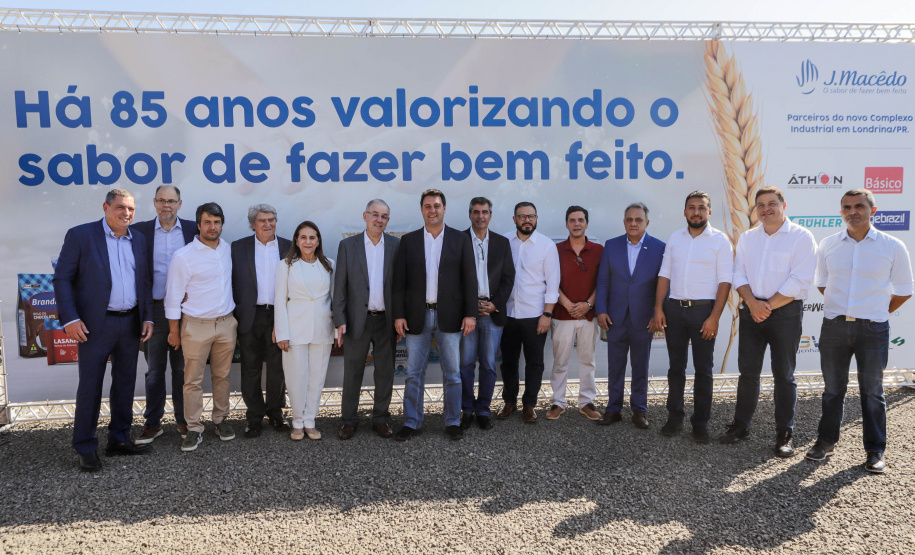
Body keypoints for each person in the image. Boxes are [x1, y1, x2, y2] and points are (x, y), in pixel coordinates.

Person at [806, 188, 913, 473]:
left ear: (872, 210)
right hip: (834, 327)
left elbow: (904, 290)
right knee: (832, 390)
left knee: (873, 392)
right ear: (841, 212)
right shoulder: (828, 244)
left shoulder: (893, 246)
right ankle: (825, 442)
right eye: (846, 207)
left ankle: (875, 450)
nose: (853, 211)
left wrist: (875, 311)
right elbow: (822, 282)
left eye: (859, 206)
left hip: (873, 329)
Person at [54, 189, 154, 471]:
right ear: (106, 207)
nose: (126, 213)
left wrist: (147, 317)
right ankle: (85, 446)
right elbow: (62, 278)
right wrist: (70, 319)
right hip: (95, 325)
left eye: (131, 209)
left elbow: (143, 281)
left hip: (131, 322)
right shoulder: (81, 235)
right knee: (91, 386)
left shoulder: (139, 240)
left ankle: (119, 439)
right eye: (121, 207)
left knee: (124, 384)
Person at [718, 186, 817, 457]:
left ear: (784, 205)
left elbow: (800, 279)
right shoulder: (748, 238)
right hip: (751, 311)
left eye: (771, 203)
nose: (765, 209)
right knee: (748, 373)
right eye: (760, 205)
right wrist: (752, 303)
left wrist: (767, 306)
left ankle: (785, 433)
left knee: (784, 376)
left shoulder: (801, 237)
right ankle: (741, 426)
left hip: (784, 313)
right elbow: (738, 274)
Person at [393, 189, 477, 441]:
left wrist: (470, 314)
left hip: (449, 316)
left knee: (452, 373)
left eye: (437, 206)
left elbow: (469, 280)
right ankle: (411, 421)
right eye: (428, 206)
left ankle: (452, 421)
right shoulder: (408, 241)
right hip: (417, 316)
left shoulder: (460, 240)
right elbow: (399, 283)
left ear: (444, 209)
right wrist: (399, 315)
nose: (432, 210)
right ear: (421, 210)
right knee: (413, 374)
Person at [651, 191, 732, 444]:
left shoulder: (720, 241)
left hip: (703, 312)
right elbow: (664, 275)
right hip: (674, 309)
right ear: (684, 212)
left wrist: (715, 317)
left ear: (709, 212)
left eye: (701, 207)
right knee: (676, 368)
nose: (696, 212)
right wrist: (658, 308)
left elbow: (725, 281)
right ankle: (675, 417)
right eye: (691, 207)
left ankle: (700, 423)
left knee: (703, 370)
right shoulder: (675, 238)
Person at [165, 202, 237, 452]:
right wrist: (174, 331)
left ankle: (221, 420)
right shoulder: (183, 256)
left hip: (226, 323)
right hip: (195, 326)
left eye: (216, 222)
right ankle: (194, 427)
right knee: (192, 380)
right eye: (207, 222)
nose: (212, 227)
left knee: (222, 376)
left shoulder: (227, 249)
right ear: (198, 225)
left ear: (221, 224)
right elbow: (173, 298)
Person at [131, 185, 198, 444]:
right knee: (155, 370)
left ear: (180, 204)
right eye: (161, 200)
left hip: (186, 311)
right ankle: (153, 423)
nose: (166, 205)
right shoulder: (139, 232)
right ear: (154, 203)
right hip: (154, 311)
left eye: (171, 201)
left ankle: (183, 419)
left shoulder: (194, 230)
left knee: (182, 370)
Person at [332, 200, 400, 440]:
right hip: (356, 321)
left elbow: (400, 287)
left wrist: (400, 318)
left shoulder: (395, 245)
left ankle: (381, 419)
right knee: (352, 373)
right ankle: (348, 421)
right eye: (375, 214)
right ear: (365, 216)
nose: (379, 219)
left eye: (384, 216)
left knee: (385, 372)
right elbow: (339, 288)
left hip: (386, 321)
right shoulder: (348, 246)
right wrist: (340, 319)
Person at [595, 202, 665, 429]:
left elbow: (662, 284)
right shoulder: (612, 245)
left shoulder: (659, 247)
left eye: (638, 219)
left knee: (640, 366)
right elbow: (603, 280)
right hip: (615, 317)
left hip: (644, 319)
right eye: (629, 219)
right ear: (624, 221)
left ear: (647, 222)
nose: (633, 223)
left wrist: (658, 312)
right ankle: (613, 409)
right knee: (615, 366)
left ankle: (639, 411)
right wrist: (601, 310)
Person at [231, 204, 292, 438]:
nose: (268, 224)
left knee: (278, 368)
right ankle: (254, 416)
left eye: (272, 219)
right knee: (251, 368)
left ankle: (276, 413)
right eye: (262, 220)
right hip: (250, 316)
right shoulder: (238, 247)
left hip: (279, 315)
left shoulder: (288, 247)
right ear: (252, 224)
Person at [498, 201, 561, 423]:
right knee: (508, 361)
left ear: (536, 219)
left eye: (531, 216)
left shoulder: (546, 245)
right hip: (508, 314)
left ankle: (529, 405)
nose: (527, 220)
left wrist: (547, 314)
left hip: (536, 315)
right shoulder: (503, 241)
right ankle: (509, 402)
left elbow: (553, 284)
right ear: (514, 219)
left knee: (535, 362)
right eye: (522, 216)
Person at [275, 221, 335, 441]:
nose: (308, 242)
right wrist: (282, 332)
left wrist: (337, 329)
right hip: (294, 328)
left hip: (322, 327)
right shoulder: (286, 265)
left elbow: (334, 299)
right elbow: (280, 301)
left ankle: (311, 421)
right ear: (296, 240)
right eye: (303, 237)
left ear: (318, 240)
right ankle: (297, 422)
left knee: (317, 377)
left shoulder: (329, 264)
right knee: (295, 377)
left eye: (312, 237)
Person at [459, 197, 515, 431]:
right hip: (467, 315)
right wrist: (471, 306)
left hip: (493, 314)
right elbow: (453, 279)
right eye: (476, 212)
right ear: (469, 214)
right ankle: (466, 409)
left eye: (484, 212)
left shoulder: (502, 243)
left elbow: (508, 278)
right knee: (465, 364)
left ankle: (483, 409)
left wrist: (494, 304)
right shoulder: (458, 240)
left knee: (489, 365)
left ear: (490, 215)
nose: (480, 216)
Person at [546, 206, 604, 421]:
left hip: (588, 316)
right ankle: (558, 402)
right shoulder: (555, 249)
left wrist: (588, 305)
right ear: (567, 224)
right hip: (562, 315)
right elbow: (550, 280)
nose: (576, 224)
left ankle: (586, 402)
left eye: (580, 220)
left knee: (587, 361)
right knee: (560, 361)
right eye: (572, 220)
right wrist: (568, 304)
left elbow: (603, 282)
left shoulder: (599, 250)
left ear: (586, 223)